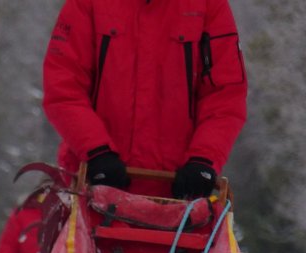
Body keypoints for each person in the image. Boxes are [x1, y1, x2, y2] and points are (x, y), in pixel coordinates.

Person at [43, 0, 247, 198]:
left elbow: (225, 97)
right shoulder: (86, 3)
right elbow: (64, 88)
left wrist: (203, 160)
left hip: (180, 200)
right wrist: (97, 152)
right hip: (91, 189)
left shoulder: (209, 5)